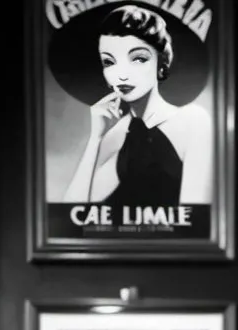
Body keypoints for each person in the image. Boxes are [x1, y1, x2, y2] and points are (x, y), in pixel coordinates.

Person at [63, 4, 212, 207]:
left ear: (162, 61)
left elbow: (195, 220)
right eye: (109, 62)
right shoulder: (117, 134)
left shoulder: (194, 121)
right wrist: (95, 138)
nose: (122, 74)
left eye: (138, 58)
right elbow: (72, 214)